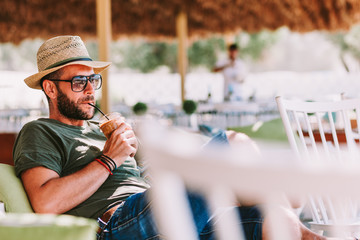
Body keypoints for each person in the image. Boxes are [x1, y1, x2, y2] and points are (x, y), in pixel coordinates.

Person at [13, 36, 325, 240]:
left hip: (166, 216)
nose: (91, 90)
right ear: (50, 88)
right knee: (233, 142)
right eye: (79, 81)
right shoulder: (39, 131)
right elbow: (45, 202)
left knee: (271, 219)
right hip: (122, 225)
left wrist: (143, 145)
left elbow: (166, 157)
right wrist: (110, 159)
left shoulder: (102, 129)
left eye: (94, 79)